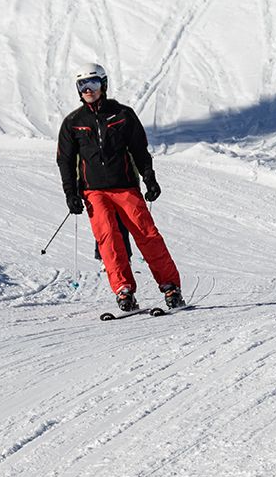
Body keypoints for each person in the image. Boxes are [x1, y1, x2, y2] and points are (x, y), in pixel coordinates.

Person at [57, 63, 185, 311]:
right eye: (82, 85)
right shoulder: (73, 122)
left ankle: (171, 287)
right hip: (94, 191)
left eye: (92, 84)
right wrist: (70, 193)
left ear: (103, 85)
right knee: (108, 239)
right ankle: (123, 290)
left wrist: (149, 178)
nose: (87, 90)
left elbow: (139, 150)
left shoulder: (123, 114)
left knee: (147, 235)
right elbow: (65, 160)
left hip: (125, 187)